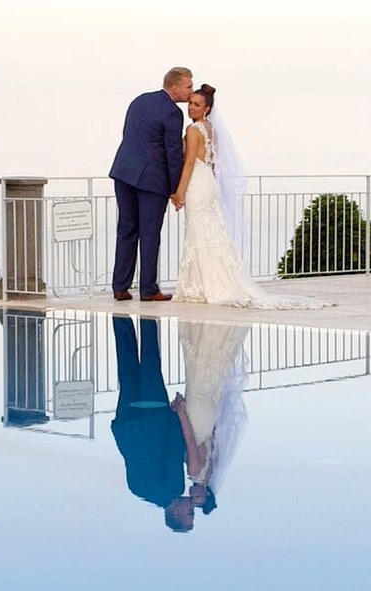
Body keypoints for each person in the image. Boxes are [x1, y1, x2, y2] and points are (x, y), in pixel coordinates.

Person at [171, 84, 333, 309]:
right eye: (190, 103)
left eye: (196, 105)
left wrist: (179, 192)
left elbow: (189, 163)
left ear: (207, 108)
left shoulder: (192, 130)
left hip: (198, 184)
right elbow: (212, 162)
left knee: (199, 233)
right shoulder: (211, 129)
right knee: (211, 233)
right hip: (209, 183)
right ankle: (207, 283)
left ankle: (201, 285)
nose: (191, 108)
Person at [109, 67, 193, 302]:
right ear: (174, 87)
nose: (191, 91)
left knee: (126, 230)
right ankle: (148, 289)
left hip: (124, 172)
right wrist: (177, 190)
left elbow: (128, 133)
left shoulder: (140, 101)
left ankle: (120, 286)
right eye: (188, 87)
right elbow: (173, 152)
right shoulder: (173, 113)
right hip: (151, 180)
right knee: (149, 233)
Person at [110, 316, 188, 524]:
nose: (191, 510)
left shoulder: (175, 488)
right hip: (128, 421)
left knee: (151, 364)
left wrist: (176, 416)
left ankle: (147, 318)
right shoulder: (137, 490)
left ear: (176, 513)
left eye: (189, 514)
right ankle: (120, 317)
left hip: (155, 419)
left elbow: (173, 451)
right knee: (127, 369)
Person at [171, 320, 251, 516]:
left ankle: (215, 331)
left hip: (209, 418)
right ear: (206, 494)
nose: (193, 496)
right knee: (197, 375)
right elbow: (190, 441)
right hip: (197, 419)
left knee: (208, 374)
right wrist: (181, 412)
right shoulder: (195, 472)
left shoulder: (212, 470)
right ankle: (205, 331)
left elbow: (215, 437)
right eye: (198, 498)